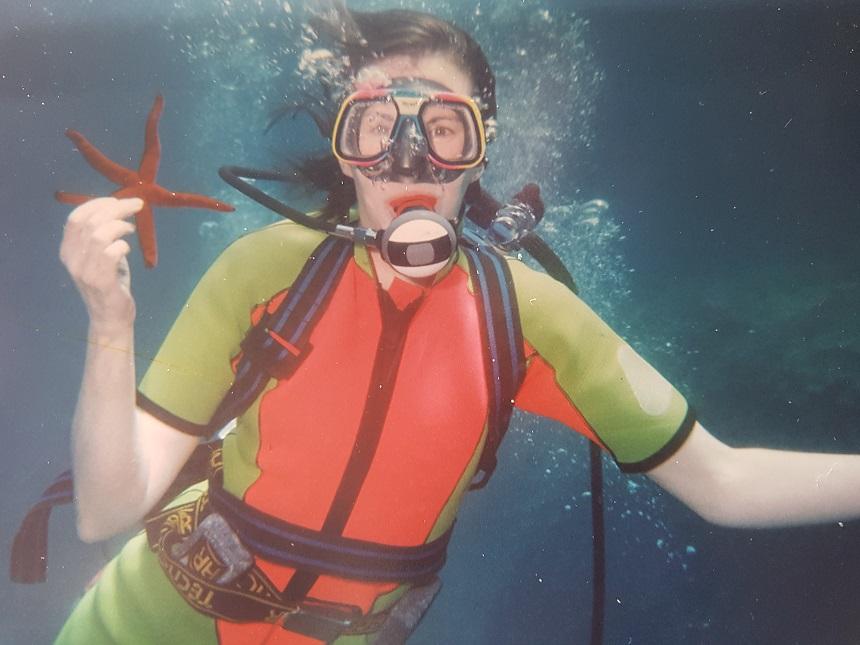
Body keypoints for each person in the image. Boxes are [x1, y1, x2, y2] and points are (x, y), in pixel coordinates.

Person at [55, 6, 860, 645]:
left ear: (480, 153)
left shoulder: (526, 314)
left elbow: (723, 482)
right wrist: (109, 326)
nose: (408, 163)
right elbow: (103, 508)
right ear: (346, 151)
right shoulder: (265, 270)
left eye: (443, 129)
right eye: (376, 126)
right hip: (139, 623)